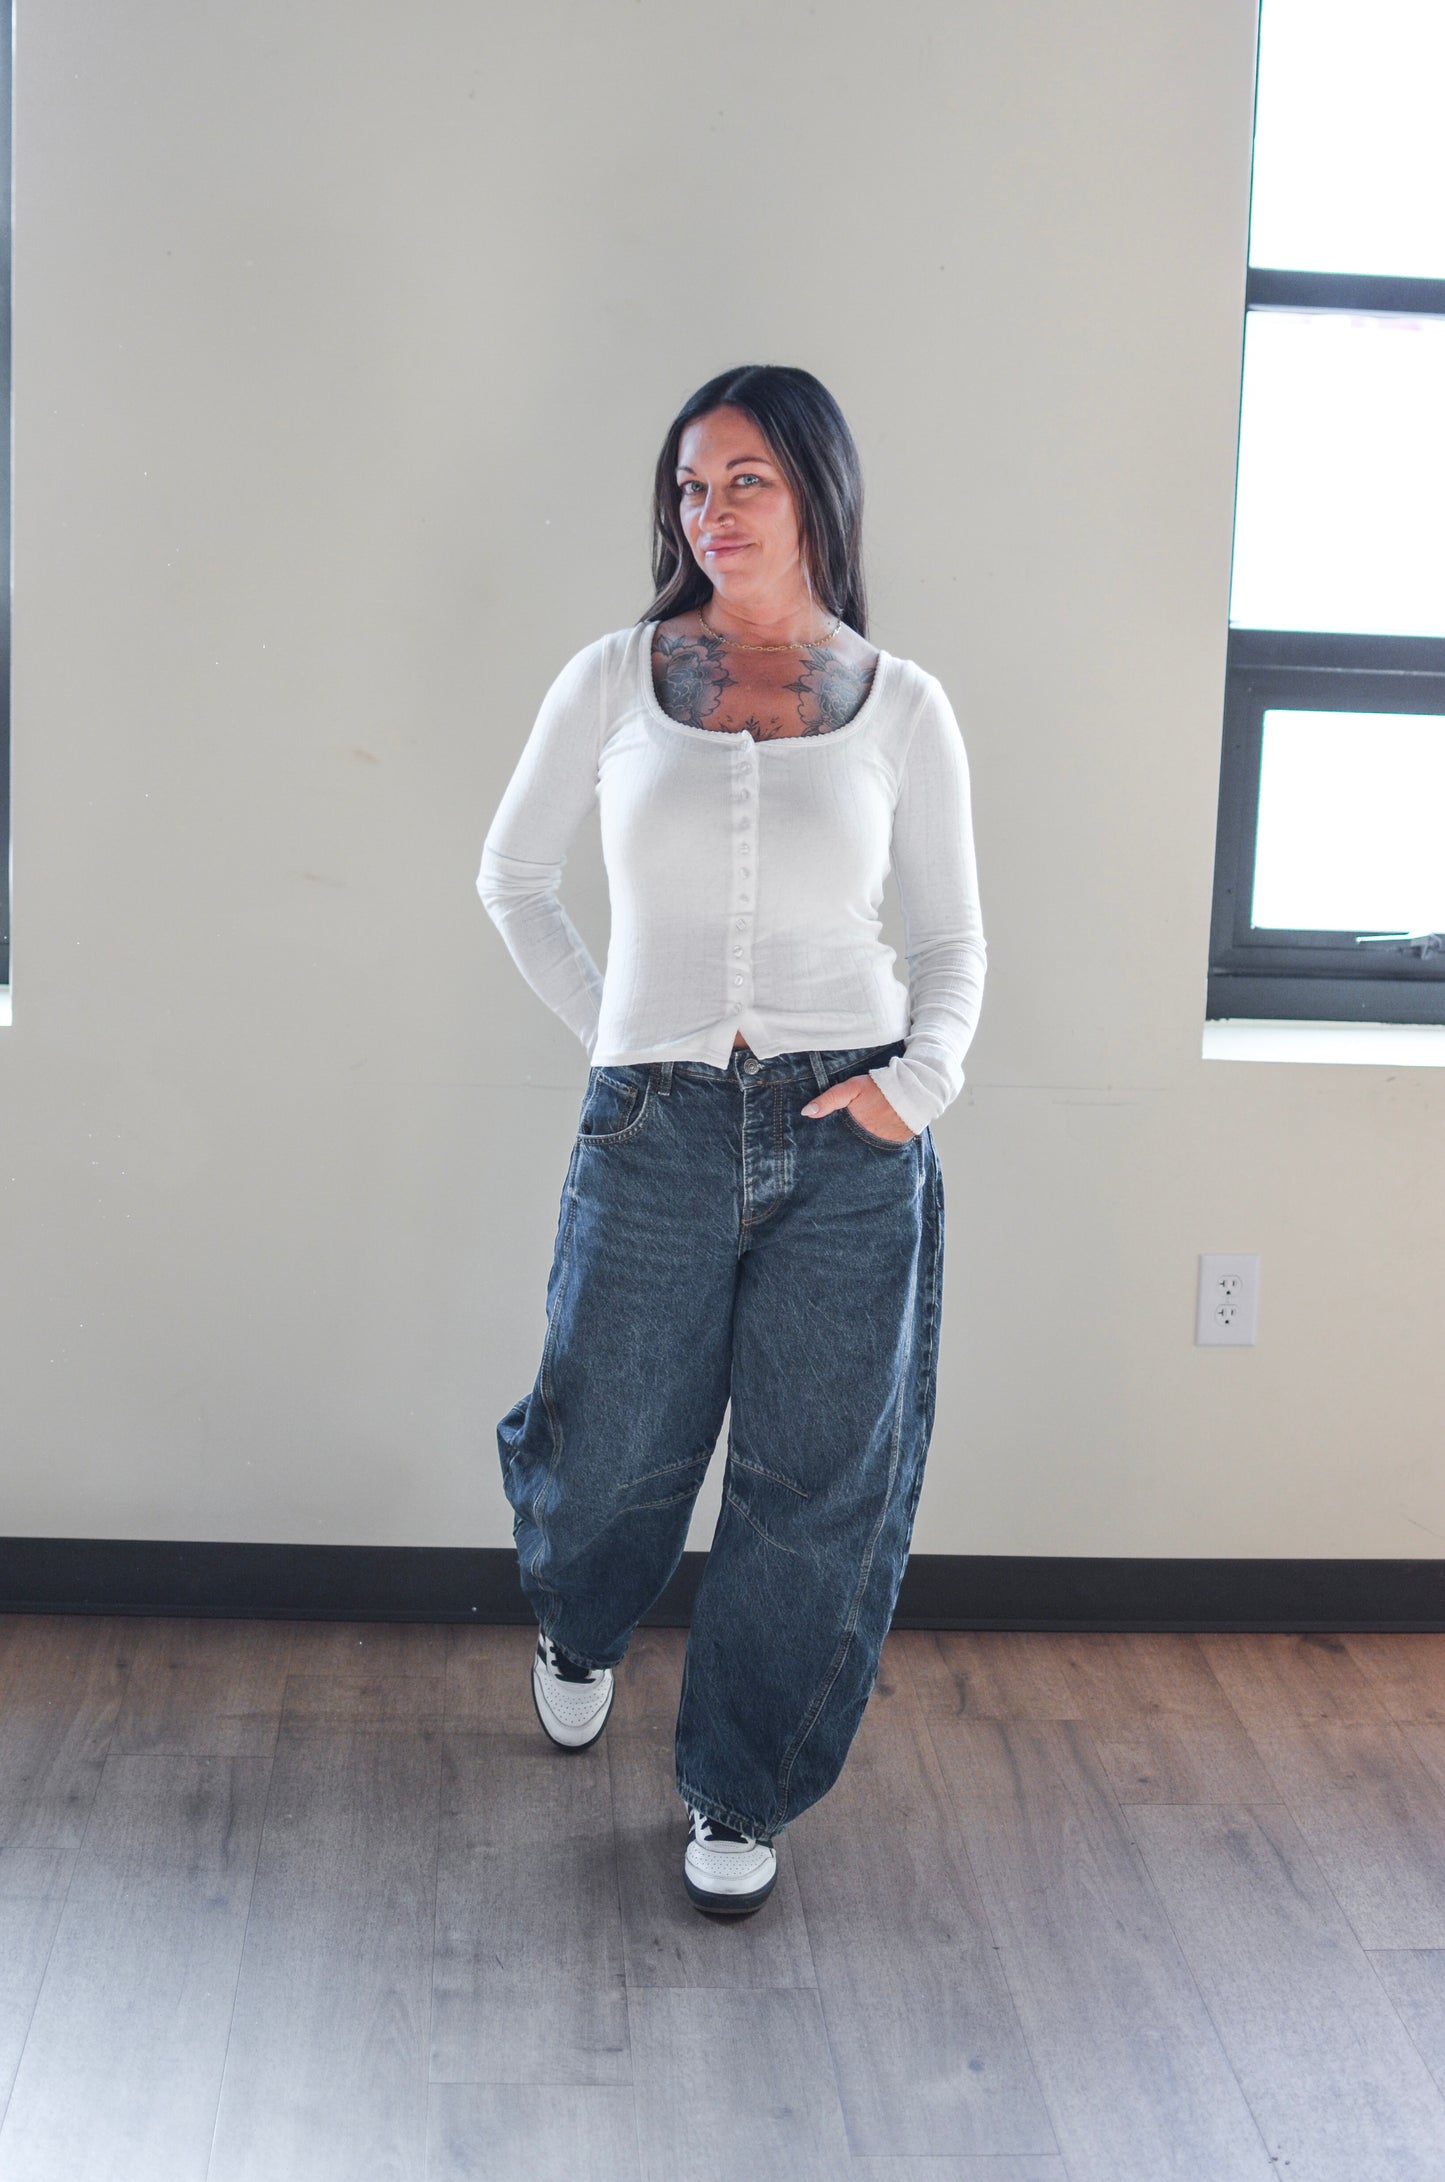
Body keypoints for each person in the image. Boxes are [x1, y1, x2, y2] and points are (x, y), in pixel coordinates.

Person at [476, 364, 986, 1917]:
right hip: (655, 1126)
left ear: (815, 490)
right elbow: (512, 880)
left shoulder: (902, 704)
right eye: (689, 487)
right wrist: (627, 1045)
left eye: (743, 479)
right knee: (614, 1443)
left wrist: (922, 1082)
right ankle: (578, 1617)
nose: (708, 513)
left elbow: (954, 944)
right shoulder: (612, 678)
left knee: (814, 1483)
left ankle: (736, 1787)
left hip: (852, 1136)